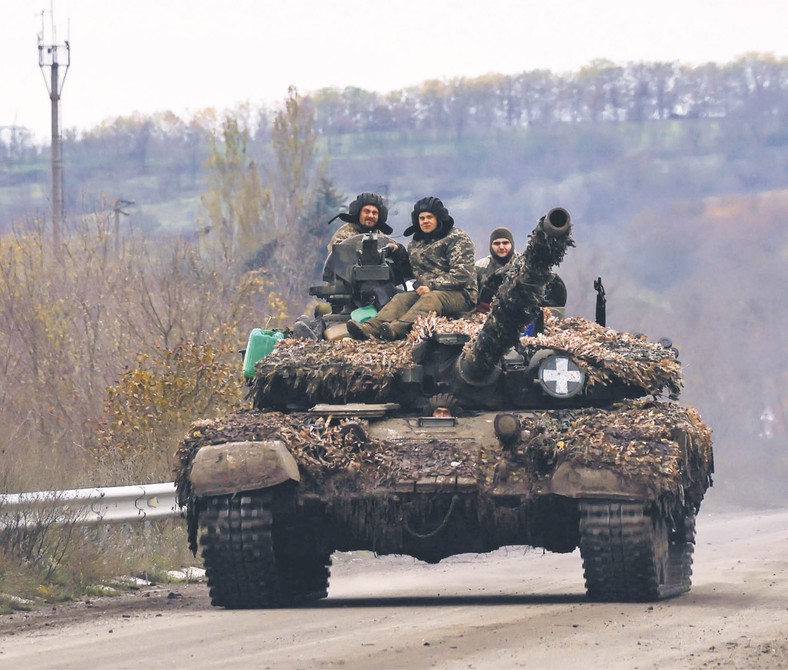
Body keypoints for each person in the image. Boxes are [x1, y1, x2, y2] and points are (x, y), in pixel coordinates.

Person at [346, 196, 477, 341]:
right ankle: (370, 328)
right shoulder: (417, 243)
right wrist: (400, 254)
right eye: (421, 218)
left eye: (429, 217)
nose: (425, 221)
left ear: (439, 219)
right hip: (425, 292)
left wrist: (431, 286)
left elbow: (462, 275)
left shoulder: (457, 239)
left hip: (461, 294)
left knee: (432, 298)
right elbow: (411, 272)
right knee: (401, 299)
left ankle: (397, 329)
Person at [326, 192, 394, 252]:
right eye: (366, 211)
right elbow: (334, 259)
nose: (370, 216)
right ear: (359, 213)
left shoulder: (384, 239)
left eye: (374, 213)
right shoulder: (343, 235)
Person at [475, 227, 517, 313]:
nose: (501, 247)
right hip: (486, 314)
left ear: (512, 244)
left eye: (505, 243)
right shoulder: (479, 267)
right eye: (497, 243)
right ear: (491, 245)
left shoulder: (525, 265)